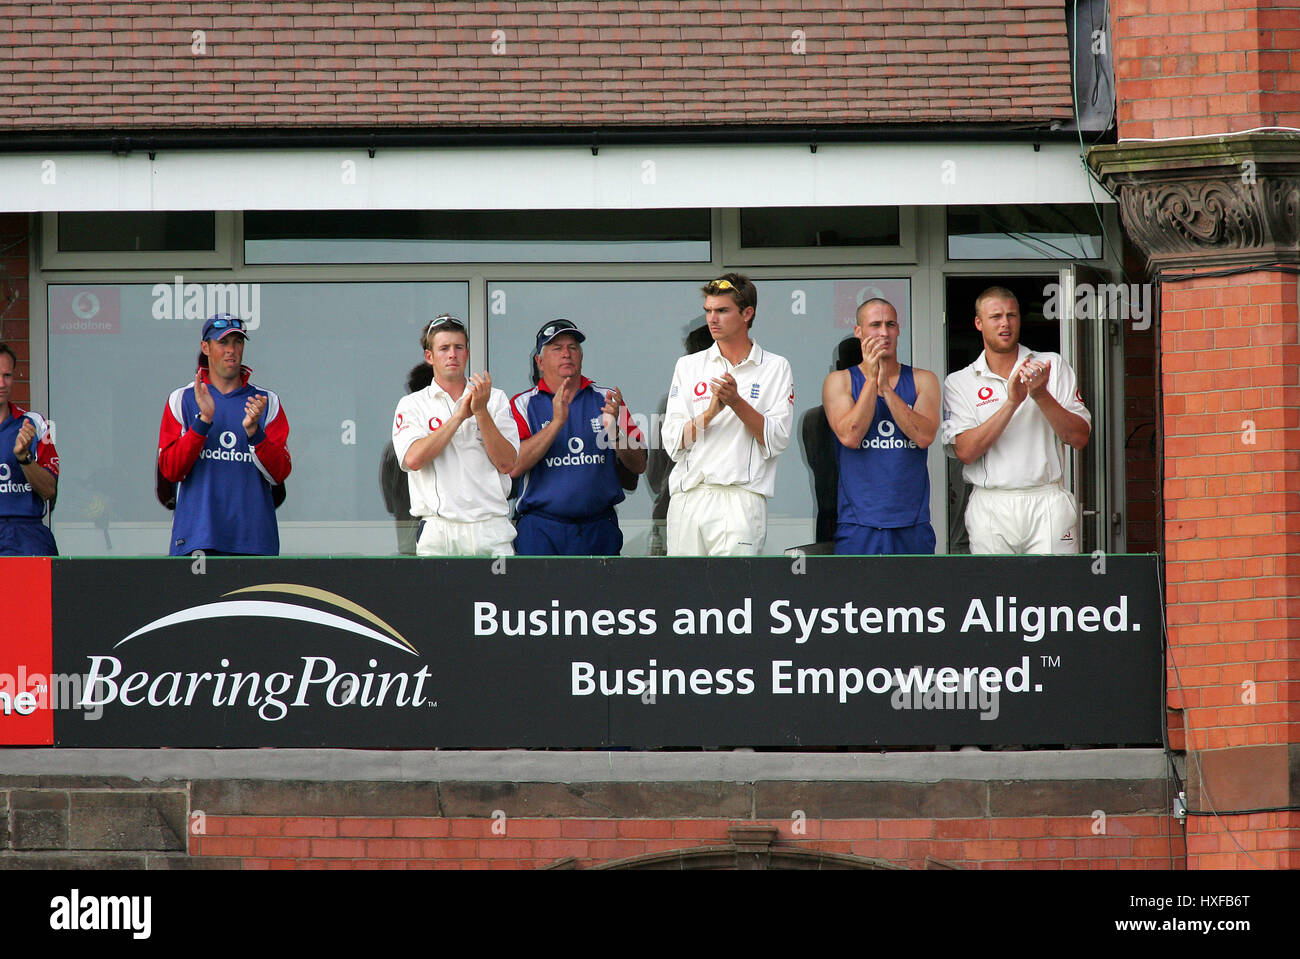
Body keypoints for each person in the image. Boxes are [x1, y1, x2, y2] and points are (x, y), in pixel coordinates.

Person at [941, 286, 1091, 554]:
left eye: (1011, 315)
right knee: (995, 592)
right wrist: (1012, 402)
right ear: (979, 323)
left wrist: (1041, 395)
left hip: (1047, 499)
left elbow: (1079, 438)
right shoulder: (960, 381)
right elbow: (965, 451)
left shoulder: (1051, 365)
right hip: (991, 503)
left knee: (1056, 592)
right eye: (995, 316)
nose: (1005, 323)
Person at [661, 273, 794, 555]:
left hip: (740, 498)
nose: (712, 319)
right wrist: (709, 414)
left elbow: (776, 441)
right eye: (708, 311)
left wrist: (736, 402)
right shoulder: (688, 366)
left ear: (747, 313)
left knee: (732, 595)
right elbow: (672, 443)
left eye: (722, 310)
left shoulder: (775, 367)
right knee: (683, 594)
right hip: (689, 496)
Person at [508, 320, 647, 555]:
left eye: (573, 347)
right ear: (540, 362)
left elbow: (639, 465)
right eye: (557, 348)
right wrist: (557, 423)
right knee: (541, 593)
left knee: (599, 593)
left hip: (598, 527)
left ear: (581, 355)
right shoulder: (522, 404)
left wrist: (614, 431)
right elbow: (514, 465)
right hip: (540, 529)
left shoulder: (608, 398)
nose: (566, 354)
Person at [157, 314, 291, 556]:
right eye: (223, 343)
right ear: (205, 347)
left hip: (254, 541)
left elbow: (279, 473)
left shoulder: (266, 402)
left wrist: (254, 433)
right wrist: (203, 422)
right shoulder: (183, 398)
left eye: (237, 342)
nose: (231, 350)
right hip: (198, 539)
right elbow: (170, 470)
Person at [391, 313, 519, 556]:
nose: (452, 354)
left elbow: (507, 463)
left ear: (467, 353)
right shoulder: (412, 404)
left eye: (459, 347)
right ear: (429, 356)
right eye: (444, 348)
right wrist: (459, 416)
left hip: (491, 528)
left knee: (497, 595)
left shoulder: (495, 398)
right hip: (439, 531)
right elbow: (413, 459)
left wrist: (481, 412)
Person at [822, 299, 940, 554]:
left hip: (912, 523)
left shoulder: (923, 379)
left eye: (890, 324)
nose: (884, 332)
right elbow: (851, 435)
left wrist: (886, 389)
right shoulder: (839, 381)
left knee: (917, 595)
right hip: (858, 523)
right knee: (857, 595)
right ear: (859, 332)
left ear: (899, 330)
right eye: (875, 325)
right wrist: (871, 381)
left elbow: (923, 436)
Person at [0, 342, 59, 556]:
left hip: (27, 535)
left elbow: (48, 490)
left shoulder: (35, 423)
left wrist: (24, 457)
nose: (1, 383)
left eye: (7, 375)